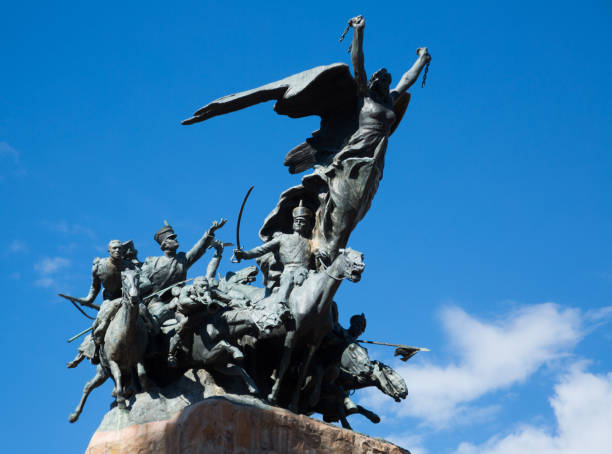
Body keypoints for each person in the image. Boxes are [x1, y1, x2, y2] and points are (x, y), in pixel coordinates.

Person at [140, 219, 226, 324]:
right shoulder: (152, 262)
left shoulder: (182, 259)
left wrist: (210, 232)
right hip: (155, 304)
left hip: (179, 301)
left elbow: (199, 248)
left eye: (174, 237)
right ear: (164, 245)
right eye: (171, 238)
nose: (176, 239)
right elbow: (140, 283)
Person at [233, 201, 315, 305]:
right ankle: (281, 306)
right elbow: (261, 249)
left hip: (305, 272)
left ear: (308, 225)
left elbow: (318, 256)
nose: (298, 223)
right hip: (289, 270)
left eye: (302, 221)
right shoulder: (283, 238)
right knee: (287, 281)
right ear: (293, 223)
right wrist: (245, 254)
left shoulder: (311, 241)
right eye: (296, 221)